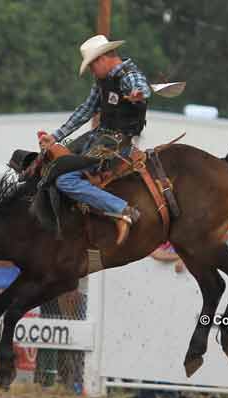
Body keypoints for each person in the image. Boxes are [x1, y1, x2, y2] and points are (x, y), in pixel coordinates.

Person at [38, 35, 151, 245]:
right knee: (54, 163)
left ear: (102, 59)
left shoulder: (129, 75)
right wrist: (55, 137)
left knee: (65, 179)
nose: (91, 71)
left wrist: (139, 94)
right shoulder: (103, 81)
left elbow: (140, 87)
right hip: (99, 137)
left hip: (117, 144)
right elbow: (85, 110)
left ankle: (122, 209)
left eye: (91, 66)